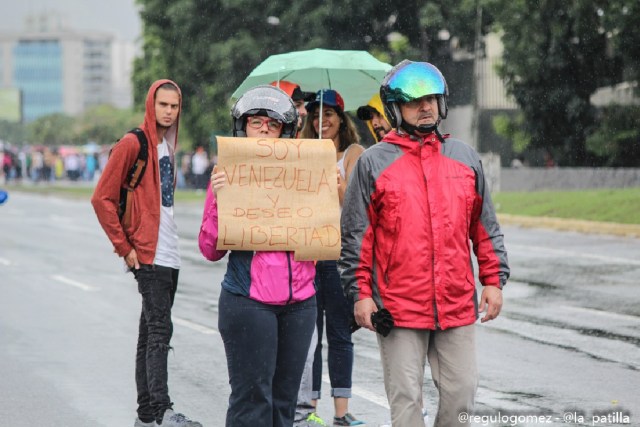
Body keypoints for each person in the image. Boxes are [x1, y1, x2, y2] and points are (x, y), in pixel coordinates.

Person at [339, 60, 510, 427]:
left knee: (462, 394)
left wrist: (493, 281)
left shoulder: (464, 158)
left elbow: (484, 227)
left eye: (431, 98)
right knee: (406, 402)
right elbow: (356, 236)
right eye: (415, 101)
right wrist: (361, 294)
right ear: (396, 108)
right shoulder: (373, 163)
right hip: (398, 307)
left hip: (456, 303)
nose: (426, 106)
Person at [199, 85, 317, 427]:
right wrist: (221, 200)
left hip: (301, 303)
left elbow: (323, 238)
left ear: (287, 131)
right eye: (256, 122)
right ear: (243, 128)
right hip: (248, 301)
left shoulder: (306, 175)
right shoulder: (226, 175)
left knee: (285, 404)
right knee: (252, 402)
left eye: (274, 123)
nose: (265, 129)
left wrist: (329, 191)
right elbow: (210, 249)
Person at [91, 79, 202, 427]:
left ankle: (145, 415)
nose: (169, 112)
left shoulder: (167, 147)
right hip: (148, 253)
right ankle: (163, 409)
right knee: (160, 330)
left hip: (170, 251)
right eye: (163, 105)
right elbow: (102, 198)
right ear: (150, 105)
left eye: (174, 106)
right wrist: (125, 248)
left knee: (148, 333)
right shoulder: (132, 143)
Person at [301, 89, 365, 426]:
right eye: (315, 115)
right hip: (310, 254)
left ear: (341, 118)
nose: (321, 120)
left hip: (340, 257)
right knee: (309, 336)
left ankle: (342, 413)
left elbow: (354, 205)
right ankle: (308, 410)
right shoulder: (304, 153)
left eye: (328, 114)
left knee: (339, 334)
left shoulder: (354, 153)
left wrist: (337, 182)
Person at [267, 80, 326, 427]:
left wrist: (329, 194)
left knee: (305, 351)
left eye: (302, 104)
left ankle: (301, 414)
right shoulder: (259, 154)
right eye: (294, 103)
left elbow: (320, 218)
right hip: (265, 283)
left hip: (304, 275)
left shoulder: (309, 152)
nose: (301, 110)